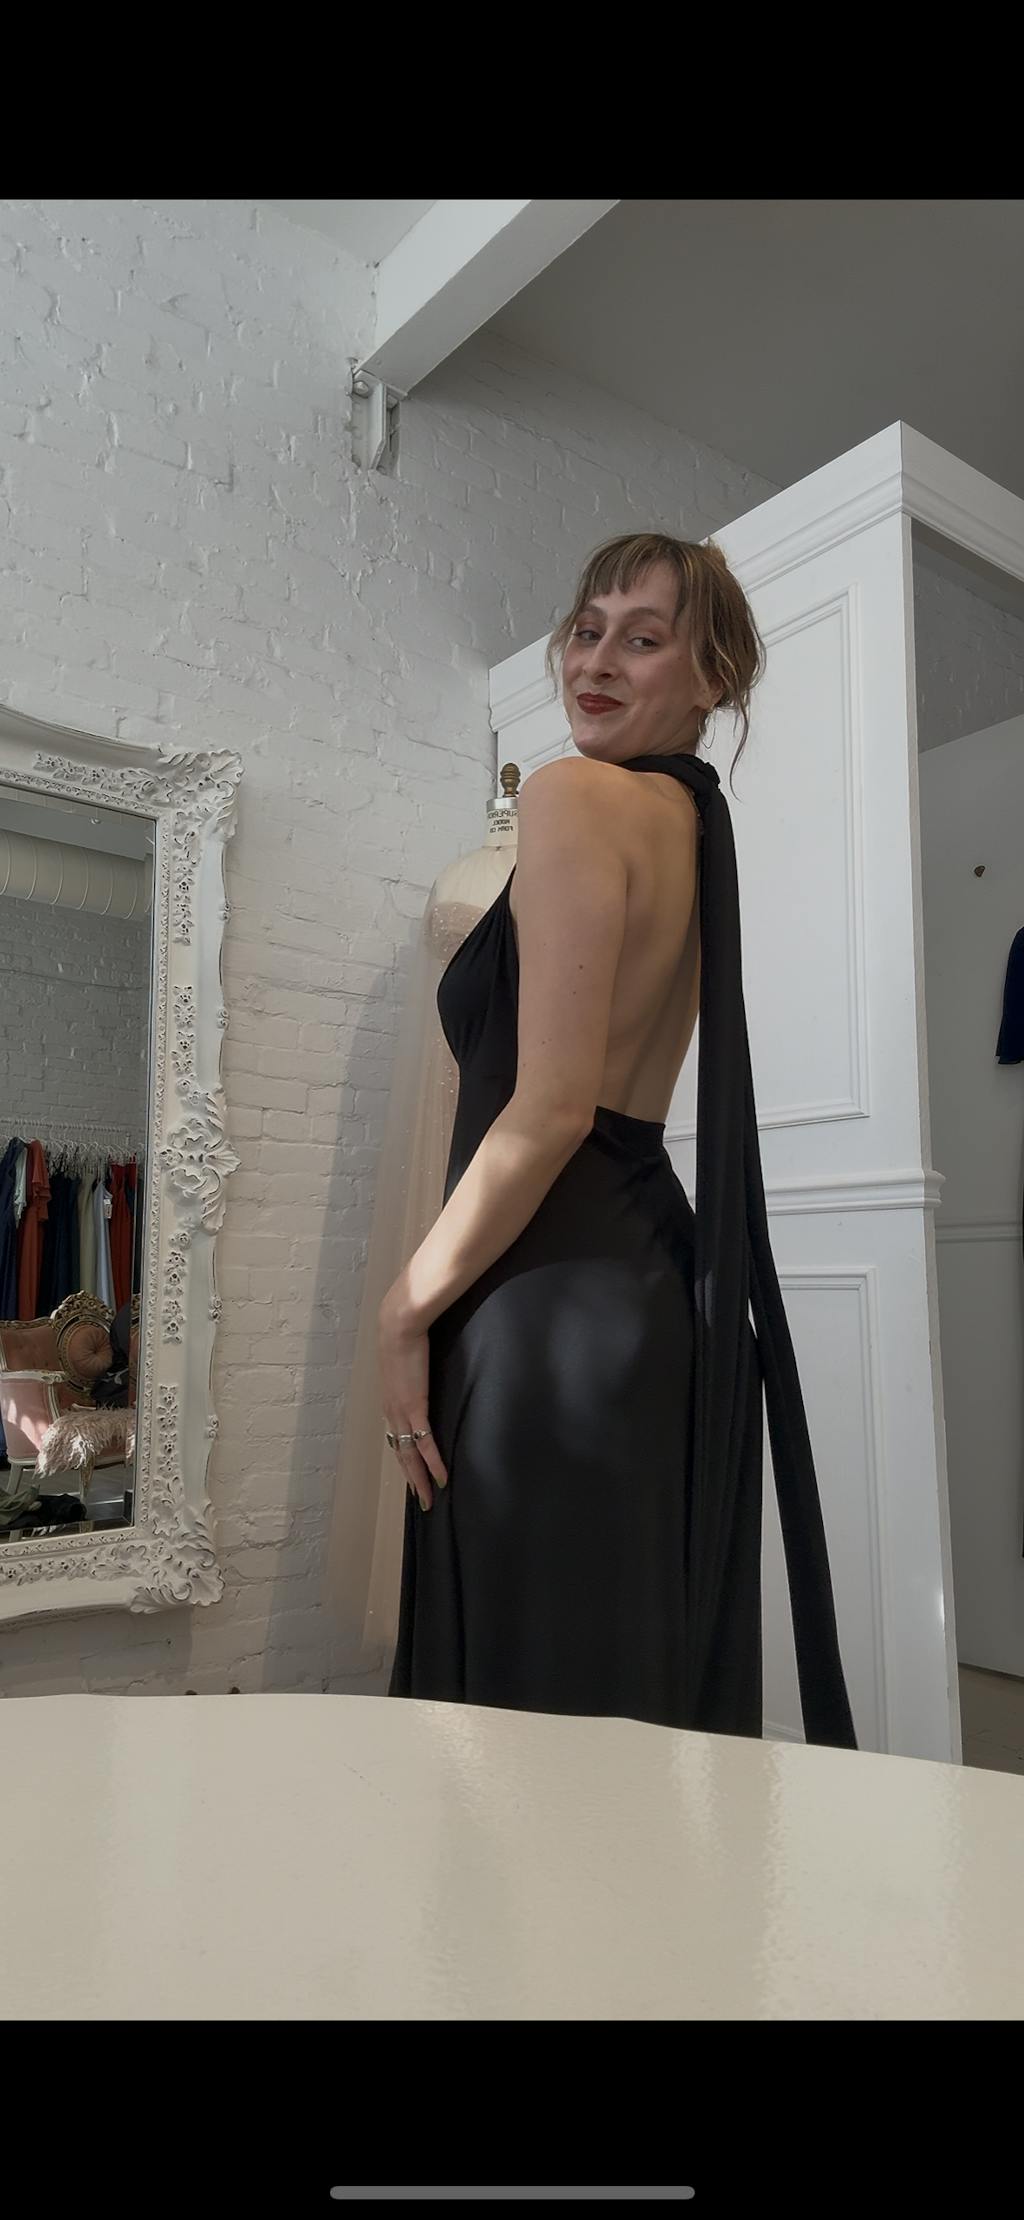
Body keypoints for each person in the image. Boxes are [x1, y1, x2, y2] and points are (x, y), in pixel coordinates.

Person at [379, 532, 855, 1747]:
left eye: (641, 640)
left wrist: (403, 1310)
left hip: (545, 1307)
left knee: (519, 1729)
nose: (593, 662)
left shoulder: (572, 796)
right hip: (650, 1296)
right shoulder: (689, 828)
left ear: (712, 678)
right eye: (585, 631)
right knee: (619, 1717)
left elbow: (550, 1111)